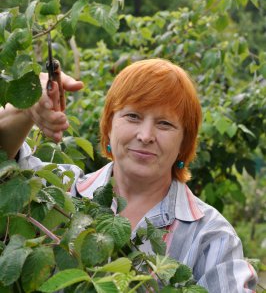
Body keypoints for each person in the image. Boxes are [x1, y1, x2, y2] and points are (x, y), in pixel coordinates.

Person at [0, 59, 258, 292]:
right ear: (109, 126)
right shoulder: (59, 191)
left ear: (184, 142)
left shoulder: (212, 238)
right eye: (133, 116)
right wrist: (25, 108)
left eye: (165, 124)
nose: (146, 135)